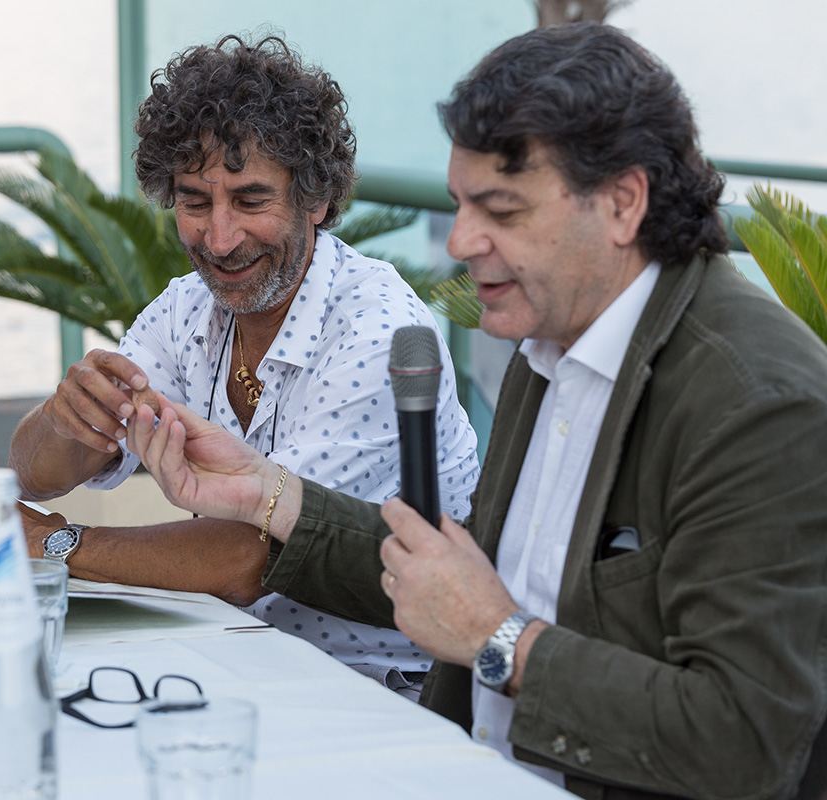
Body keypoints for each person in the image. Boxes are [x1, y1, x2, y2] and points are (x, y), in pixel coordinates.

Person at [125, 23, 827, 800]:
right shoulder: (549, 337)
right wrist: (266, 493)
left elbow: (746, 743)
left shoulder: (756, 400)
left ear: (623, 204)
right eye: (461, 204)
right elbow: (451, 584)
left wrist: (501, 642)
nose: (460, 241)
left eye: (501, 210)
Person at [0, 34, 481, 694]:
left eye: (251, 201)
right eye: (194, 202)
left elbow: (248, 561)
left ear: (316, 200)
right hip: (235, 662)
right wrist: (68, 417)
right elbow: (33, 477)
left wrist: (55, 547)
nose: (219, 237)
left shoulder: (376, 330)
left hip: (381, 690)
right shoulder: (187, 306)